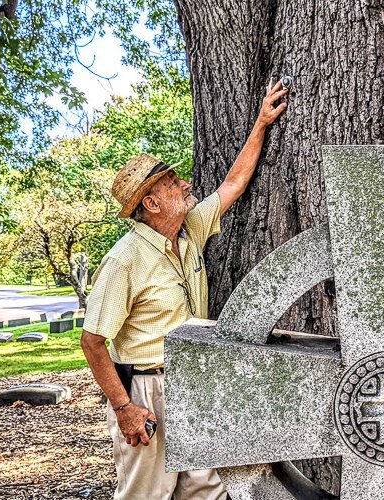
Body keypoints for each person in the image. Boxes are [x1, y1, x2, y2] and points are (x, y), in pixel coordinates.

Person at [80, 80, 288, 499]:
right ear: (151, 204)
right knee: (146, 495)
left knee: (205, 491)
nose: (186, 184)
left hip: (194, 381)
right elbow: (92, 341)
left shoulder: (188, 228)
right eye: (173, 182)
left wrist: (262, 122)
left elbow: (232, 185)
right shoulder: (125, 259)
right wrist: (125, 409)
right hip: (146, 389)